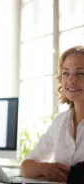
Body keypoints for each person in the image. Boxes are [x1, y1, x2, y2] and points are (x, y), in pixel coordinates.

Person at [20, 46, 84, 182]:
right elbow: (26, 166)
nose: (71, 79)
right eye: (66, 73)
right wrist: (44, 169)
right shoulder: (60, 121)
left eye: (81, 73)